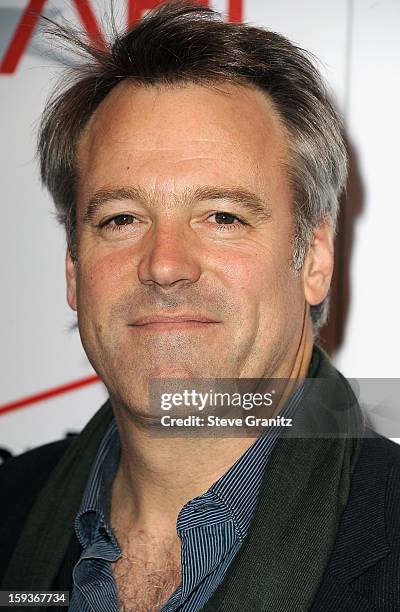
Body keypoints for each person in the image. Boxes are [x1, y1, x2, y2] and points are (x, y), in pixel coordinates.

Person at [1, 2, 399, 610]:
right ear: (73, 271)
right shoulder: (12, 510)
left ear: (315, 258)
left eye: (222, 216)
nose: (163, 263)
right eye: (121, 218)